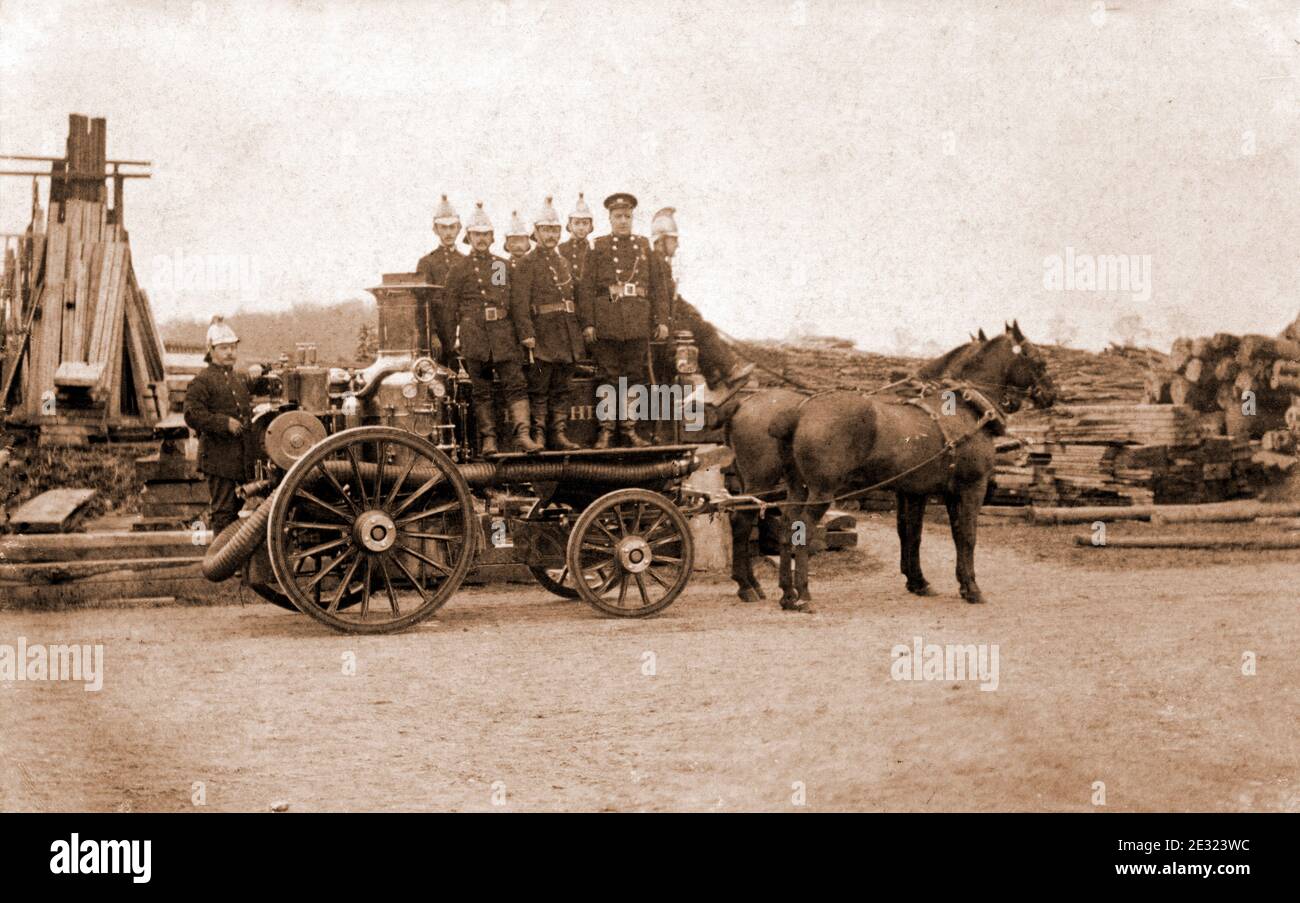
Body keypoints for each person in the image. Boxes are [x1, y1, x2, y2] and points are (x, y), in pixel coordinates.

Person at [445, 202, 542, 455]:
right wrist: (451, 341)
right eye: (477, 235)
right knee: (482, 390)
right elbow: (449, 309)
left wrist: (524, 334)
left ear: (492, 237)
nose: (482, 239)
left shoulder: (500, 266)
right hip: (474, 338)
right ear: (469, 236)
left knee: (516, 385)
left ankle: (522, 434)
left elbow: (510, 302)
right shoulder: (459, 269)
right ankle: (489, 439)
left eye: (486, 235)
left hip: (502, 336)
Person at [577, 192, 669, 448]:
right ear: (609, 218)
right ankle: (606, 431)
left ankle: (629, 429)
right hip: (607, 323)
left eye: (627, 216)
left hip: (637, 323)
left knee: (633, 376)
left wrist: (661, 321)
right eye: (618, 216)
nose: (623, 221)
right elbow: (585, 289)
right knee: (608, 377)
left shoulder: (643, 247)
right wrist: (588, 323)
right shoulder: (598, 247)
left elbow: (659, 288)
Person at [650, 206, 754, 404]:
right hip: (660, 324)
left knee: (698, 326)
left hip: (665, 319)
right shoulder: (657, 263)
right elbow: (661, 298)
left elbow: (672, 297)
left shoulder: (659, 262)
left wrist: (689, 310)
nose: (677, 244)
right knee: (703, 329)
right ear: (662, 240)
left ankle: (714, 378)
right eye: (674, 239)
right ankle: (729, 371)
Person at [512, 196, 586, 450]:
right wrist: (526, 333)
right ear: (535, 232)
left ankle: (559, 434)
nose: (551, 234)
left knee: (562, 389)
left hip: (566, 334)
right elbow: (519, 304)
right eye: (546, 229)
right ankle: (540, 434)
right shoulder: (526, 263)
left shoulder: (562, 262)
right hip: (541, 336)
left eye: (555, 229)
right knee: (539, 389)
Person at [183, 317, 252, 536]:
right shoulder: (203, 380)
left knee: (237, 510)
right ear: (211, 351)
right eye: (224, 348)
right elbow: (192, 414)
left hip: (239, 458)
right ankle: (222, 564)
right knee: (224, 512)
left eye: (233, 347)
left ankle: (232, 561)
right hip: (218, 458)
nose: (230, 352)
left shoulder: (237, 378)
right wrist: (224, 423)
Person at [414, 194, 463, 359]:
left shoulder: (466, 261)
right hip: (437, 337)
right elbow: (421, 304)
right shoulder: (426, 262)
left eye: (452, 228)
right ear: (436, 229)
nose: (448, 233)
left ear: (459, 229)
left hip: (464, 334)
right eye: (443, 228)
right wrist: (432, 335)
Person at [558, 192, 594, 285]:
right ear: (569, 226)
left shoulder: (595, 249)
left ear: (590, 227)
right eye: (577, 223)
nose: (581, 227)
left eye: (585, 223)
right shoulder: (560, 249)